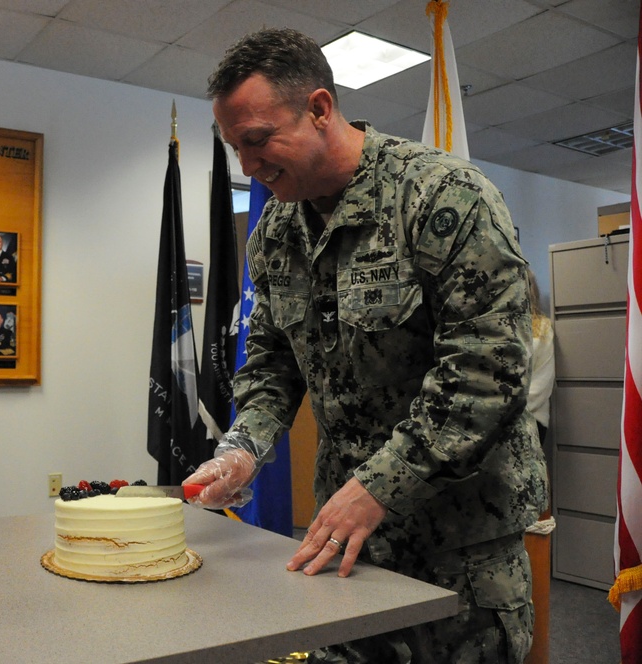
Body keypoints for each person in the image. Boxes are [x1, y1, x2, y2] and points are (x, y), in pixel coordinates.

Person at [184, 28, 547, 663]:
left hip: (459, 550)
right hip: (348, 546)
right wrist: (243, 450)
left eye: (258, 140)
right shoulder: (275, 232)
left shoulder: (442, 197)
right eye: (234, 147)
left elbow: (486, 374)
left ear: (319, 109)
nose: (248, 166)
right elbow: (271, 364)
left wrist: (379, 486)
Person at [527, 270, 555, 445]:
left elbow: (541, 384)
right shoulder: (495, 328)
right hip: (493, 421)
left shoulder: (542, 327)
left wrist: (506, 413)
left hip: (531, 418)